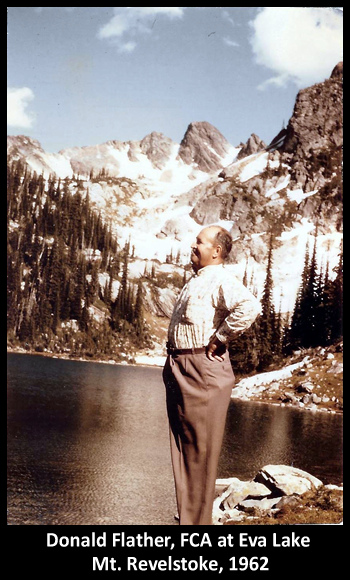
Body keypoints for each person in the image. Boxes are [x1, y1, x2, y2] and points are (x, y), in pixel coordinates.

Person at [163, 224, 261, 525]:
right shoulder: (197, 279)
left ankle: (197, 528)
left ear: (216, 251)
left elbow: (250, 306)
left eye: (200, 242)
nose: (194, 246)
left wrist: (221, 337)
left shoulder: (220, 278)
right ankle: (189, 522)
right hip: (181, 368)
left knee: (200, 453)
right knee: (184, 449)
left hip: (201, 371)